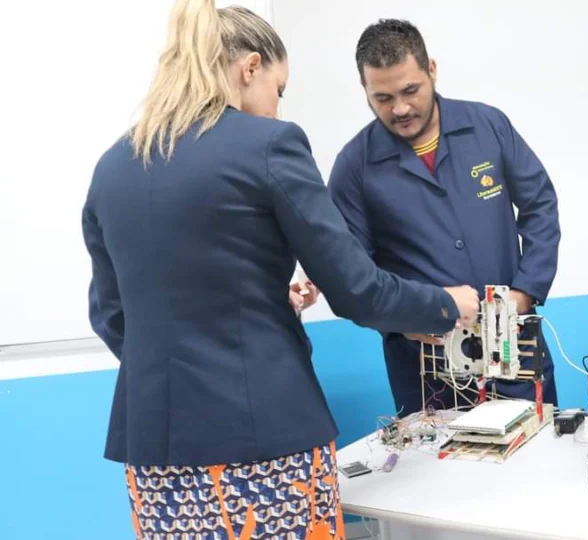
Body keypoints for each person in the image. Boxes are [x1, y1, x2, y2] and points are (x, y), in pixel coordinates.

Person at [81, 2, 480, 538]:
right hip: (264, 441)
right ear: (251, 67)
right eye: (279, 88)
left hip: (155, 451)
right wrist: (447, 304)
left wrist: (257, 307)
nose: (276, 105)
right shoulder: (268, 144)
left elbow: (112, 316)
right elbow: (357, 290)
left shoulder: (113, 165)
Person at [327, 19, 562, 417]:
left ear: (431, 69)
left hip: (514, 349)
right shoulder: (354, 167)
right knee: (436, 456)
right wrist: (399, 320)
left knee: (536, 449)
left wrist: (524, 292)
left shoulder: (487, 126)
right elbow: (349, 274)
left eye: (410, 90)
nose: (400, 108)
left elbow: (540, 205)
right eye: (382, 98)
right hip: (425, 370)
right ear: (364, 89)